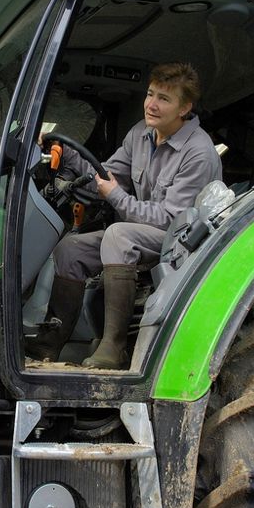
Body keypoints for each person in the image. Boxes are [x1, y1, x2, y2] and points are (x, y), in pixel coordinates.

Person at [25, 62, 222, 369]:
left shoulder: (199, 152)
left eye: (164, 99)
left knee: (119, 235)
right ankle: (48, 347)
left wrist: (115, 195)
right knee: (70, 248)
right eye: (150, 94)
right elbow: (105, 175)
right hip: (146, 231)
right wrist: (67, 150)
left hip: (181, 242)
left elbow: (169, 220)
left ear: (185, 108)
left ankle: (113, 347)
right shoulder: (141, 134)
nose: (152, 104)